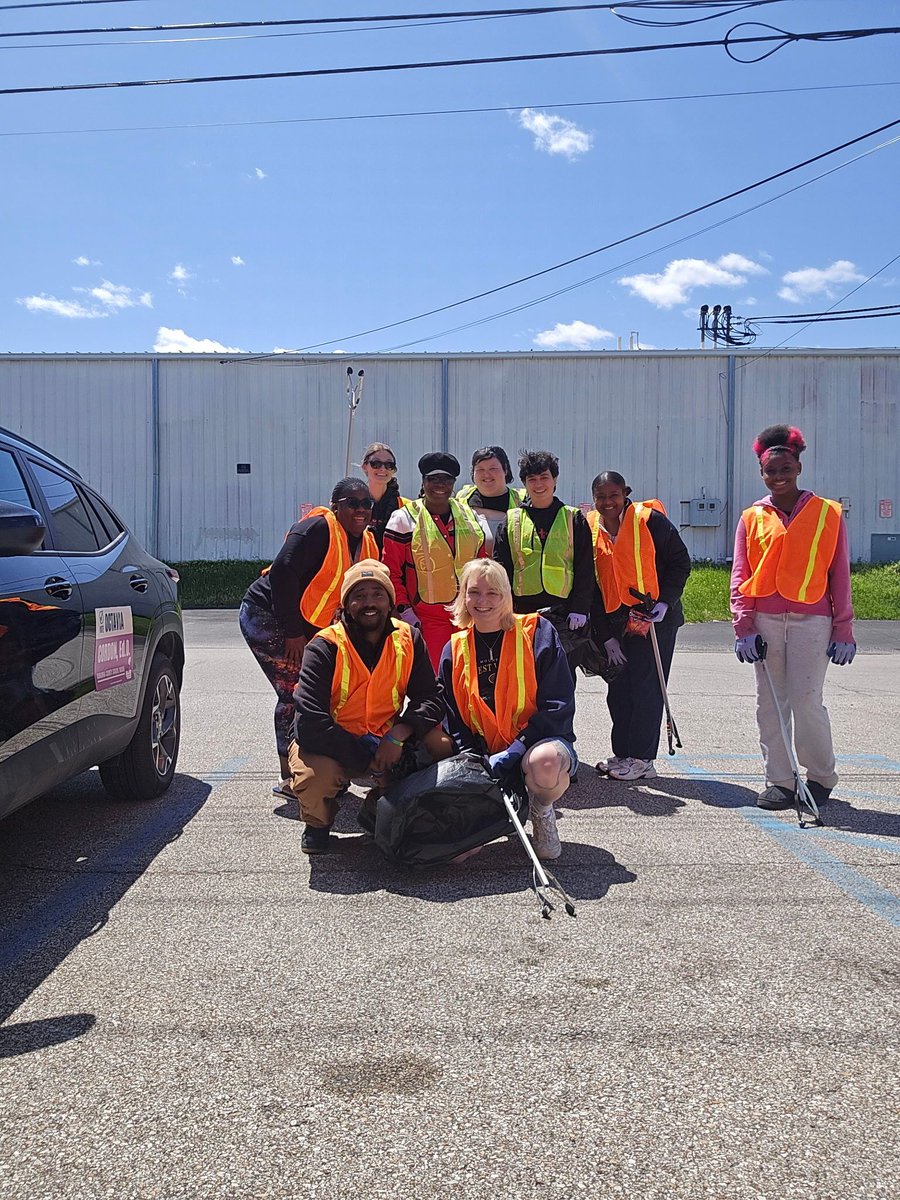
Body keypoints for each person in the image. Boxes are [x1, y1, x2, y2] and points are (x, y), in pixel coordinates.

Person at [289, 560, 453, 854]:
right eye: (359, 595)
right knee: (315, 776)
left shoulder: (409, 638)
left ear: (390, 601)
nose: (369, 603)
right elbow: (309, 723)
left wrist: (399, 734)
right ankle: (317, 823)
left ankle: (382, 804)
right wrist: (367, 759)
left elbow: (432, 698)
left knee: (441, 746)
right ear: (346, 604)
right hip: (334, 740)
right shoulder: (324, 646)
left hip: (386, 735)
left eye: (377, 594)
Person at [730, 424, 855, 810]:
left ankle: (821, 776)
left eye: (786, 469)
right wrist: (743, 625)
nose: (779, 477)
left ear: (799, 467)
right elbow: (740, 573)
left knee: (806, 701)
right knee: (769, 705)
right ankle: (781, 780)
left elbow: (839, 573)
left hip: (812, 622)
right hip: (764, 621)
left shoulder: (827, 513)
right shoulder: (752, 517)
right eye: (771, 471)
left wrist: (844, 628)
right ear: (761, 473)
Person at [240, 477, 378, 796]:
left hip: (310, 626)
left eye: (366, 504)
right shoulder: (316, 528)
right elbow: (281, 572)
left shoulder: (366, 541)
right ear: (335, 506)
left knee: (326, 692)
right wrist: (292, 632)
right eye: (352, 503)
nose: (360, 509)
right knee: (295, 691)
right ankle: (292, 776)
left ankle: (328, 766)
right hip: (269, 616)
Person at [438, 559, 578, 861]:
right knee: (458, 857)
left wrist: (518, 748)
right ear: (463, 596)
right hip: (487, 753)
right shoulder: (454, 649)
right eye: (474, 592)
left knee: (545, 764)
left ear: (506, 596)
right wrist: (474, 758)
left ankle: (540, 810)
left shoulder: (537, 632)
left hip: (537, 744)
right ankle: (498, 812)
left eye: (493, 593)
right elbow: (451, 715)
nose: (483, 601)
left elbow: (558, 705)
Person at [588, 470, 691, 781]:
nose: (608, 503)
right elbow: (591, 582)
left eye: (614, 496)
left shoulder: (650, 520)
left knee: (646, 687)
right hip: (616, 619)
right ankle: (623, 753)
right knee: (618, 687)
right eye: (601, 497)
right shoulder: (590, 526)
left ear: (625, 494)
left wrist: (664, 603)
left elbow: (680, 562)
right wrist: (606, 636)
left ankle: (643, 759)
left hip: (654, 618)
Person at [382, 451, 491, 670]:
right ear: (423, 482)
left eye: (446, 479)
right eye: (433, 479)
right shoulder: (404, 518)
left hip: (466, 614)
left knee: (468, 677)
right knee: (434, 680)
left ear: (454, 483)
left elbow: (482, 565)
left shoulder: (470, 515)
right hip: (426, 618)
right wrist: (405, 611)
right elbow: (391, 572)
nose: (439, 485)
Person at [492, 449, 594, 630]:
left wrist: (580, 608)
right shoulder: (511, 520)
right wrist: (503, 608)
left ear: (555, 479)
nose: (538, 484)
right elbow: (501, 569)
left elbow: (585, 567)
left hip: (564, 612)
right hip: (522, 610)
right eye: (532, 479)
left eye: (544, 477)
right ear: (524, 483)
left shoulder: (573, 518)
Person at [455, 445, 525, 548]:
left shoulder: (522, 500)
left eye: (493, 469)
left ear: (505, 470)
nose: (486, 475)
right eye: (480, 469)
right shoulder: (461, 499)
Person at [360, 441, 409, 552]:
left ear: (393, 470)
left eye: (389, 465)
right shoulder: (353, 504)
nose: (382, 469)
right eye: (376, 463)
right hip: (361, 566)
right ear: (364, 466)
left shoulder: (406, 507)